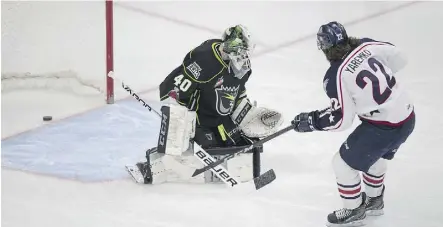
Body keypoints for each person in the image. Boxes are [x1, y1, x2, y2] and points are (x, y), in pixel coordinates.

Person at [291, 21, 415, 226]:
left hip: (384, 127)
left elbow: (342, 119)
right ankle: (375, 201)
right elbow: (400, 58)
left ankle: (354, 211)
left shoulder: (335, 76)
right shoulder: (366, 45)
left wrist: (313, 121)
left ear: (324, 47)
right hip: (408, 117)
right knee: (376, 155)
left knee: (341, 164)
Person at [128, 25, 283, 185]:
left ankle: (238, 167)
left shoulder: (242, 68)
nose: (246, 56)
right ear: (234, 47)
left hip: (221, 120)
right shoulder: (205, 60)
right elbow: (173, 90)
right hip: (199, 120)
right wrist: (179, 123)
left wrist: (249, 115)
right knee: (188, 140)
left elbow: (237, 96)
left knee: (243, 146)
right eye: (243, 51)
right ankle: (158, 167)